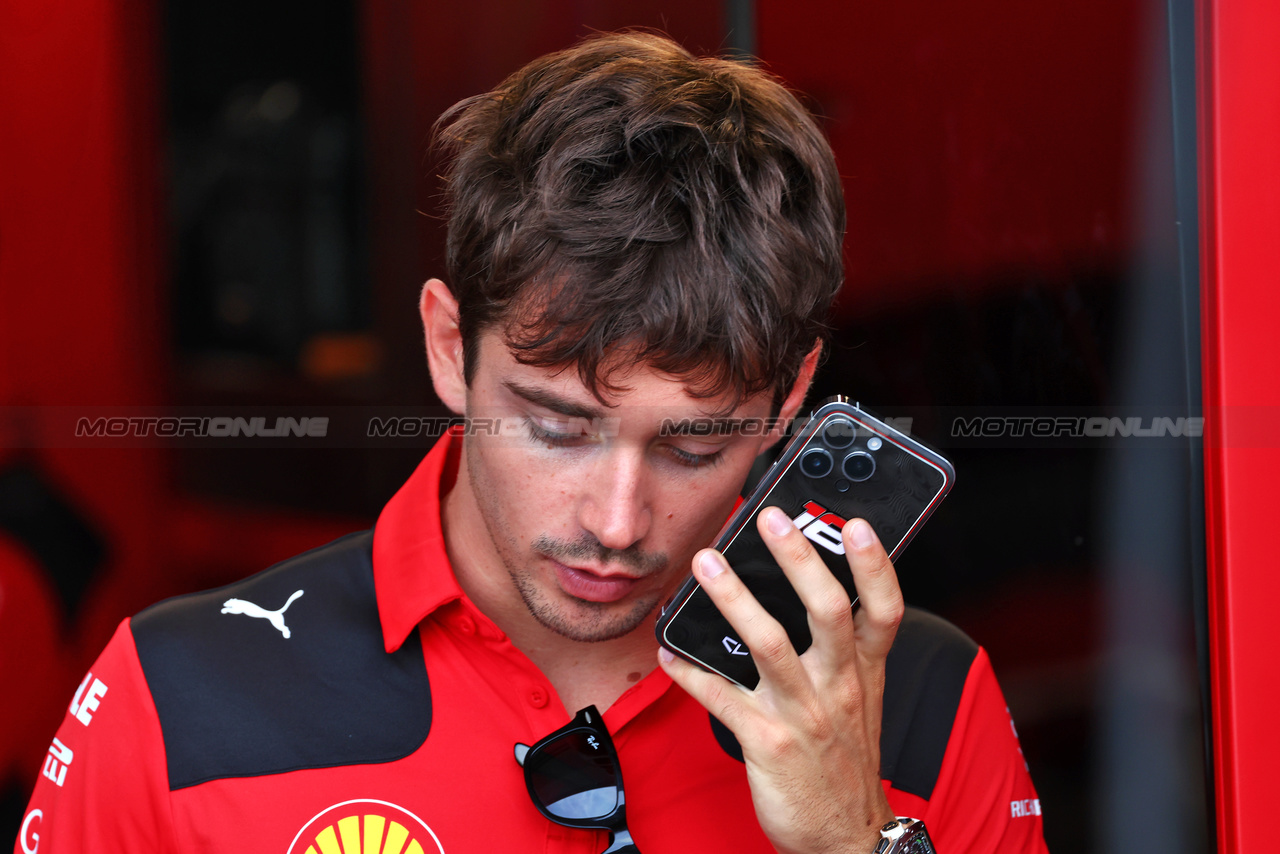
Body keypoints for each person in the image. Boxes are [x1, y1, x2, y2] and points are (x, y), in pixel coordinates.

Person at [17, 31, 1047, 854]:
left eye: (692, 447)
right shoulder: (179, 696)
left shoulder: (917, 699)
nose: (614, 520)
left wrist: (850, 844)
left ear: (789, 400)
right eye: (555, 426)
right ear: (446, 346)